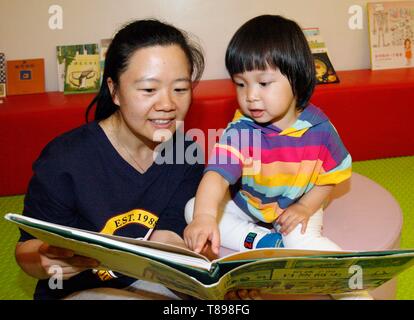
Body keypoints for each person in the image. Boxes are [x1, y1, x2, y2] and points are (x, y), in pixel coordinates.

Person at [14, 19, 206, 300]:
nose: (167, 105)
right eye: (149, 90)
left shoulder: (186, 153)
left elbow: (170, 234)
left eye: (180, 89)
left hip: (152, 282)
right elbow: (26, 249)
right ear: (114, 90)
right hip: (83, 290)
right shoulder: (65, 160)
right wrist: (44, 259)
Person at [184, 15, 352, 256]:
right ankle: (267, 242)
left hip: (298, 203)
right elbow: (217, 176)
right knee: (193, 210)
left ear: (297, 78)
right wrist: (204, 217)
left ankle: (352, 284)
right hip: (250, 204)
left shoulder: (320, 130)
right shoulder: (242, 129)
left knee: (302, 242)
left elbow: (331, 177)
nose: (250, 95)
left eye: (263, 83)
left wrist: (306, 206)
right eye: (241, 84)